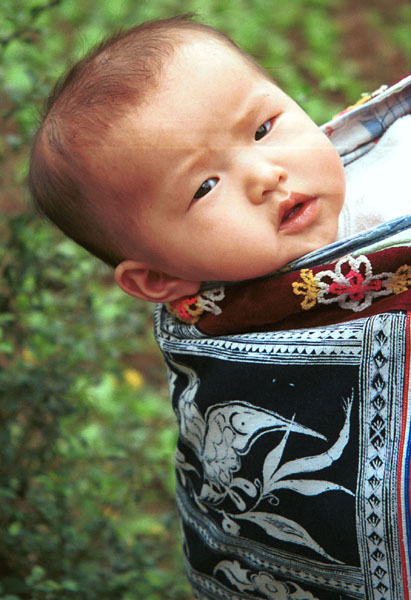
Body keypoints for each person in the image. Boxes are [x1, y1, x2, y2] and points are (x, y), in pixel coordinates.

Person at [29, 15, 411, 599]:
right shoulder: (236, 355)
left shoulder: (394, 162)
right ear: (161, 277)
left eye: (262, 128)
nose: (266, 174)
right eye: (205, 187)